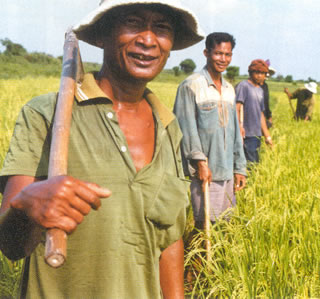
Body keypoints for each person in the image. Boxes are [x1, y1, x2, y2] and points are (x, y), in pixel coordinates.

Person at [0, 0, 204, 298]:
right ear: (102, 34)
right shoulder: (48, 114)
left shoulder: (169, 127)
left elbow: (169, 242)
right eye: (133, 23)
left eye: (161, 28)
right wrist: (25, 206)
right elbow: (11, 245)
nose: (148, 40)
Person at [173, 32, 246, 229]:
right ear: (206, 52)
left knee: (225, 224)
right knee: (204, 226)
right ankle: (196, 261)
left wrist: (240, 168)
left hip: (227, 170)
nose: (223, 59)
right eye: (218, 53)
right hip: (205, 171)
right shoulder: (191, 85)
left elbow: (235, 134)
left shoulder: (230, 89)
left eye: (228, 54)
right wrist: (200, 163)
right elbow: (185, 129)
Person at [235, 59, 273, 164]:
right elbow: (237, 108)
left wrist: (267, 136)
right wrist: (239, 127)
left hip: (256, 135)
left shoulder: (260, 91)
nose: (260, 76)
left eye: (262, 73)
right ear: (251, 73)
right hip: (245, 134)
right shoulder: (243, 86)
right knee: (246, 165)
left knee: (254, 164)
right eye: (257, 72)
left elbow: (261, 114)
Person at [261, 60, 276, 128]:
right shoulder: (248, 86)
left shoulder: (265, 86)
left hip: (262, 116)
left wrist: (269, 117)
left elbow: (266, 103)